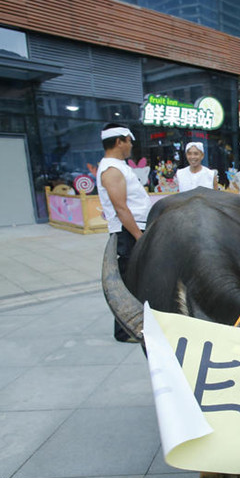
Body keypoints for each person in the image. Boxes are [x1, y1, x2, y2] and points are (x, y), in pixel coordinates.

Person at [95, 123, 151, 342]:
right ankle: (124, 332)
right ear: (119, 141)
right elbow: (121, 208)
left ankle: (140, 325)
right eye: (129, 141)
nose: (131, 146)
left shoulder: (119, 166)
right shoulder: (111, 170)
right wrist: (139, 236)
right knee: (128, 283)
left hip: (133, 229)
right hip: (128, 234)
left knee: (137, 280)